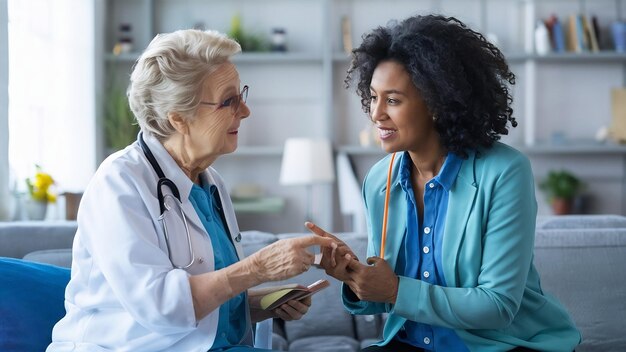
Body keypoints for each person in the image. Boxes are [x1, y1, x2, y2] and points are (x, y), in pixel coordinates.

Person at [48, 29, 336, 352]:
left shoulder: (209, 182)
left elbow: (201, 310)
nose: (245, 111)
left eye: (241, 95)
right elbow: (161, 306)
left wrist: (260, 304)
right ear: (178, 118)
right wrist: (257, 268)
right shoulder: (118, 183)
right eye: (229, 101)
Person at [307, 15, 581, 352]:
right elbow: (387, 298)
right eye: (373, 97)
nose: (376, 113)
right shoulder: (380, 179)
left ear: (437, 104)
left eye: (392, 100)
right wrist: (354, 277)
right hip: (410, 342)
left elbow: (498, 306)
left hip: (498, 344)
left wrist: (394, 290)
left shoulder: (505, 172)